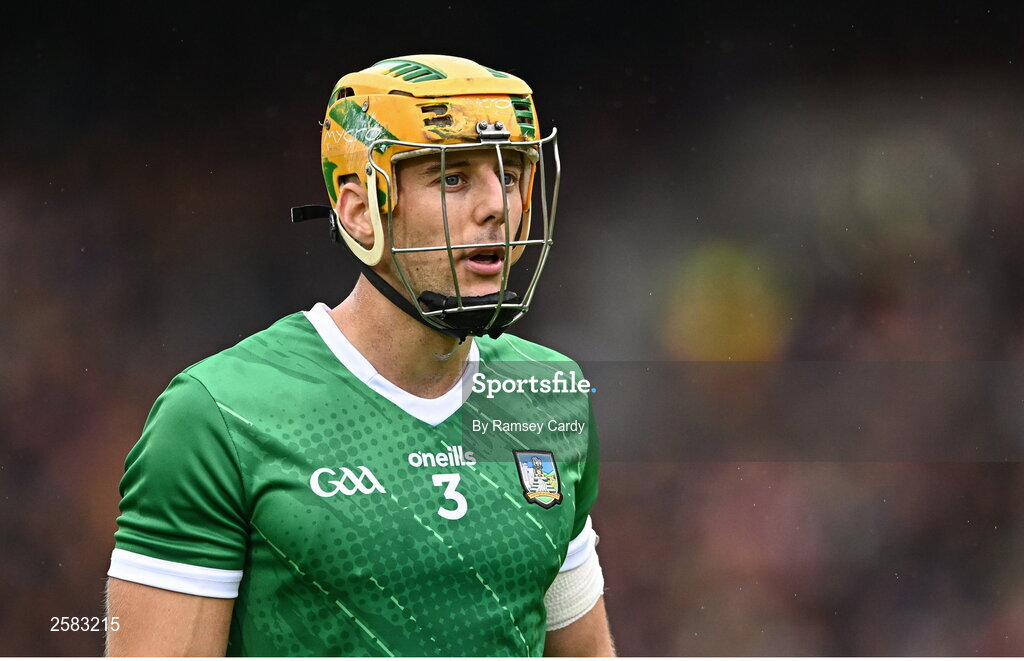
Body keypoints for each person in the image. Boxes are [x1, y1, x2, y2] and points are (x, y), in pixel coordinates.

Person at [105, 54, 613, 657]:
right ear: (358, 209)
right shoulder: (218, 415)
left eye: (509, 175)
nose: (497, 207)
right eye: (452, 178)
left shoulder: (547, 391)